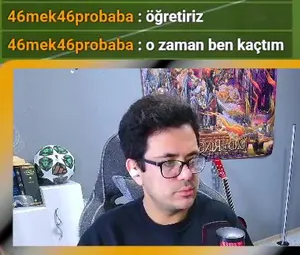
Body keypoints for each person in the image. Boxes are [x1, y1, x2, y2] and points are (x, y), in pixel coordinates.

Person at [79, 95, 250, 246]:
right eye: (169, 163)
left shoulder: (222, 220)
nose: (187, 174)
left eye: (192, 158)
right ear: (136, 169)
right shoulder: (104, 238)